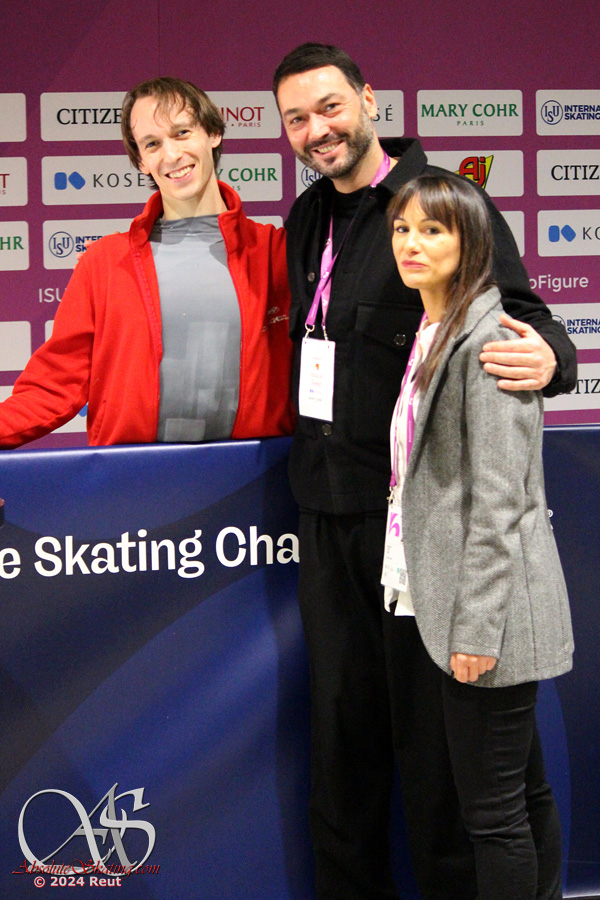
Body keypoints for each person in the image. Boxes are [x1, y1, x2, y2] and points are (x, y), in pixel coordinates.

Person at [273, 42, 577, 900]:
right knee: (341, 739)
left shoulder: (441, 200)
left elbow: (522, 318)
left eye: (330, 107)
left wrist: (553, 361)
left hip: (414, 525)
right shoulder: (306, 216)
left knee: (438, 753)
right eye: (296, 118)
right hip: (326, 515)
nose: (316, 130)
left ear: (369, 99)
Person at [383, 170, 573, 900]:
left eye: (433, 230)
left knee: (494, 816)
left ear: (471, 244)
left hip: (487, 613)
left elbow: (500, 502)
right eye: (403, 228)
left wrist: (477, 627)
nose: (411, 243)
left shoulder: (490, 340)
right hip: (450, 598)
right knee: (521, 794)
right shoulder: (435, 330)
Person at [0, 77, 293, 448]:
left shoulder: (277, 252)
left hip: (257, 476)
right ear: (140, 161)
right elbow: (53, 386)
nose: (171, 155)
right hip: (134, 478)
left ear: (213, 133)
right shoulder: (105, 263)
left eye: (182, 133)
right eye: (152, 144)